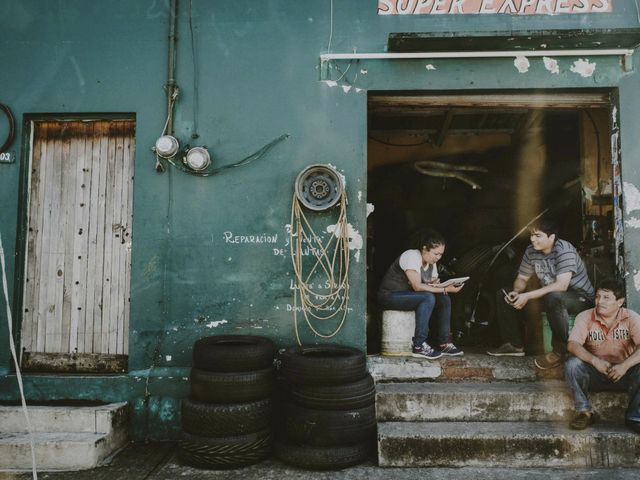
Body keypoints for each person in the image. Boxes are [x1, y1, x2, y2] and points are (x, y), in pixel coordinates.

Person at [487, 218, 594, 370]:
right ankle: (514, 345)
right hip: (551, 297)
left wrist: (527, 296)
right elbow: (522, 278)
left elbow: (561, 286)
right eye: (531, 235)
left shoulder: (565, 250)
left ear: (551, 237)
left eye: (538, 236)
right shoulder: (531, 251)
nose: (532, 239)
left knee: (554, 297)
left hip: (579, 298)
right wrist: (516, 292)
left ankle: (561, 350)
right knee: (503, 294)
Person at [564, 279, 640, 432]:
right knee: (572, 365)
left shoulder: (631, 317)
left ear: (620, 302)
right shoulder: (585, 316)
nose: (599, 302)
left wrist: (624, 366)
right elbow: (572, 344)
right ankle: (585, 412)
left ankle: (635, 416)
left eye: (606, 297)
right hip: (596, 374)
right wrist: (595, 361)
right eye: (598, 297)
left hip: (625, 375)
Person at [377, 230, 464, 359]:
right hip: (390, 296)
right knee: (427, 297)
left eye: (440, 254)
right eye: (435, 253)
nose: (438, 258)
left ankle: (444, 342)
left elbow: (428, 285)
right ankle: (419, 345)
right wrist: (446, 289)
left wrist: (438, 285)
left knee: (444, 299)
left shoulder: (431, 264)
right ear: (424, 249)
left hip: (409, 296)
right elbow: (418, 287)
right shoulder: (411, 256)